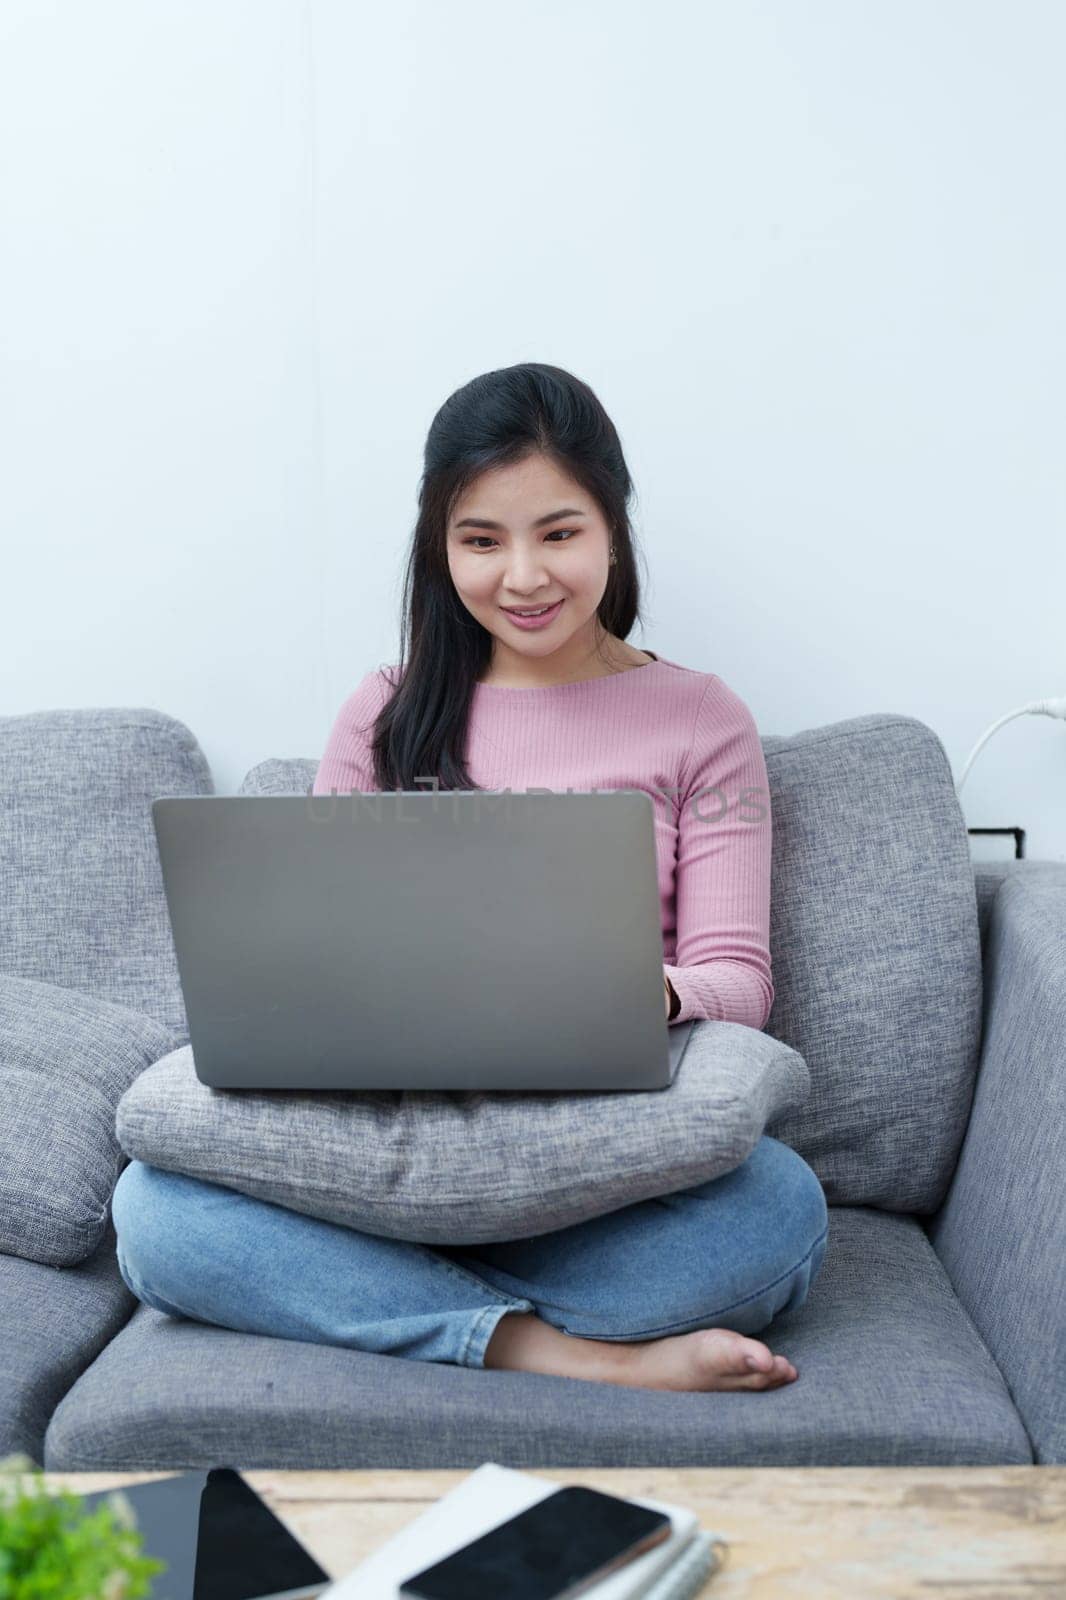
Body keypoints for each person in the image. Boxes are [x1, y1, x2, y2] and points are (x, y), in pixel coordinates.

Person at [113, 362, 828, 1394]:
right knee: (153, 1212)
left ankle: (387, 1299)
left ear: (612, 528)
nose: (523, 576)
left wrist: (647, 991)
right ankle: (560, 1353)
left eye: (558, 531)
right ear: (438, 546)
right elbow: (312, 954)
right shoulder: (384, 711)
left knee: (778, 1210)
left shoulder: (699, 719)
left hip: (600, 1158)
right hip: (393, 1149)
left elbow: (738, 979)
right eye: (481, 540)